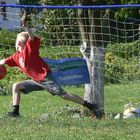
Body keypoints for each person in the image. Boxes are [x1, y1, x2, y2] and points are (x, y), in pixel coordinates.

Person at [0, 13, 102, 119]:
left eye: (16, 41)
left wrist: (26, 26)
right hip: (36, 81)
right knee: (16, 86)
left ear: (20, 43)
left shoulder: (29, 50)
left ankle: (91, 106)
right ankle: (15, 112)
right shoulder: (15, 57)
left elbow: (31, 37)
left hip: (46, 79)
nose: (15, 44)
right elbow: (2, 61)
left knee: (65, 96)